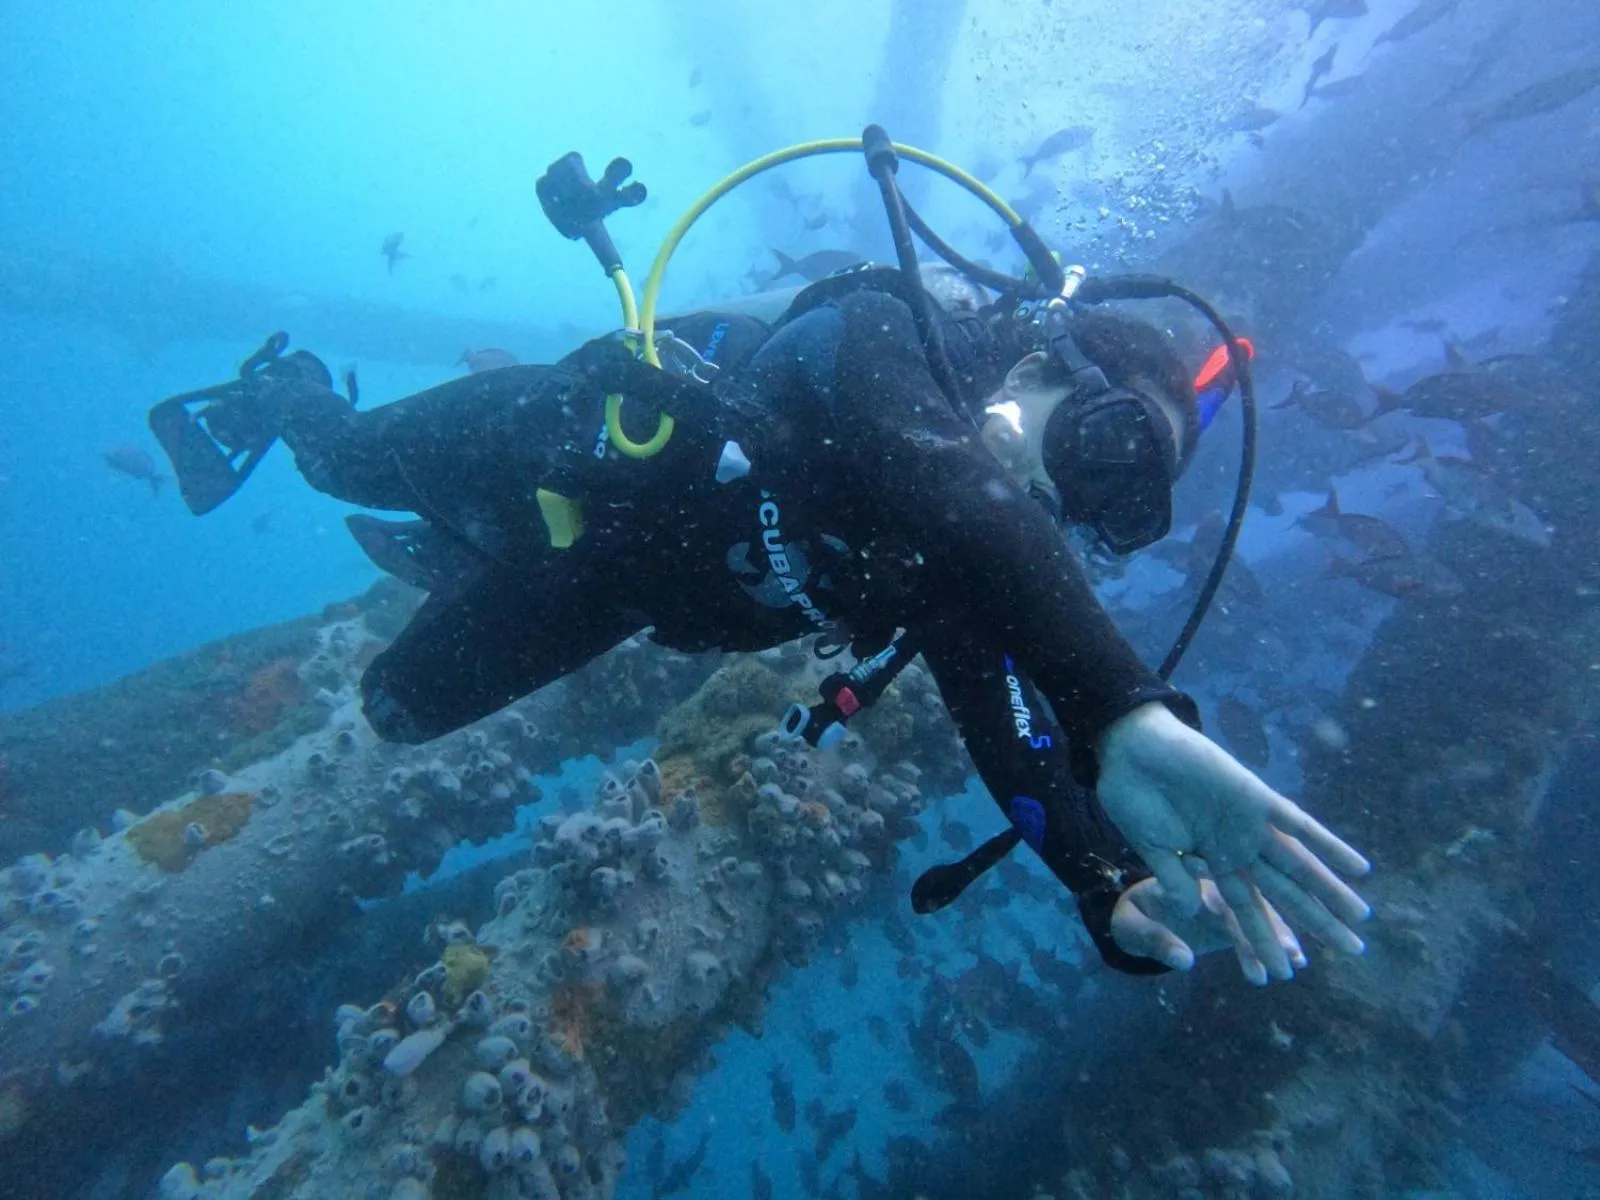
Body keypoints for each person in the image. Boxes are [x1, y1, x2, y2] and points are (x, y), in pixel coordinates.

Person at [150, 264, 1370, 983]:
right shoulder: (882, 330)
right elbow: (951, 482)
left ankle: (464, 561)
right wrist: (1120, 701)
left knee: (396, 710)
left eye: (1121, 511)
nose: (1074, 501)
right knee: (348, 459)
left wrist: (1099, 880)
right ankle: (282, 391)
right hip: (554, 444)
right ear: (1040, 358)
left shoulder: (966, 555)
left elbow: (1008, 722)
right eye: (1103, 447)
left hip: (609, 592)